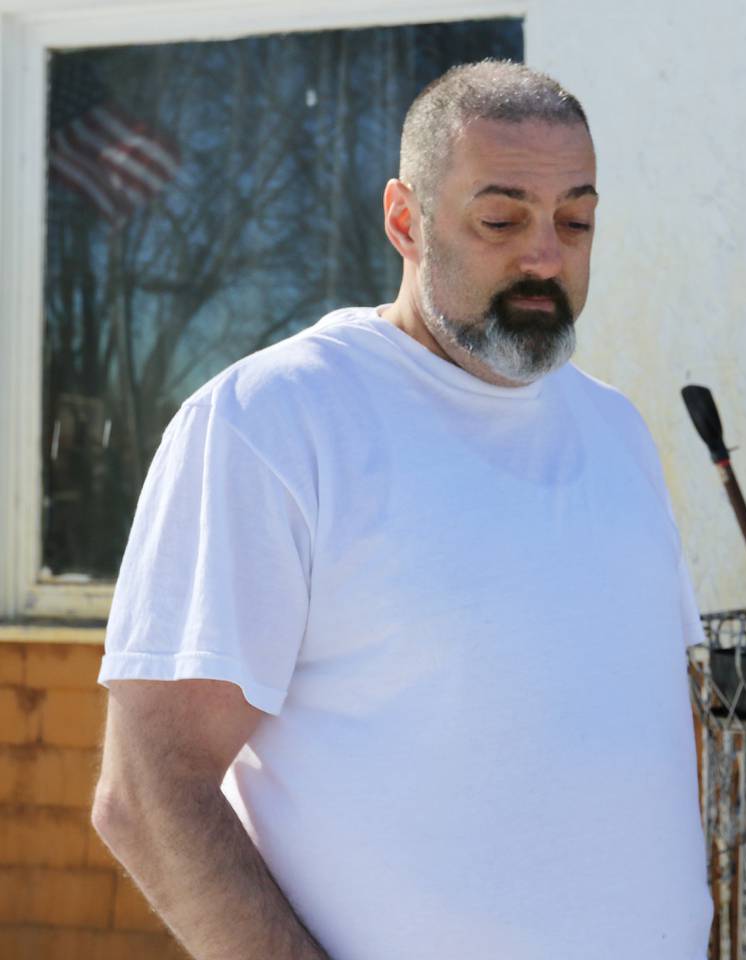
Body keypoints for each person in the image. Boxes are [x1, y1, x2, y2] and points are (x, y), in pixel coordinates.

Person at [91, 61, 713, 960]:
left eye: (575, 219)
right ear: (404, 219)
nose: (546, 253)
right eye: (501, 218)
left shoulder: (616, 430)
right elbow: (149, 793)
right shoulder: (275, 422)